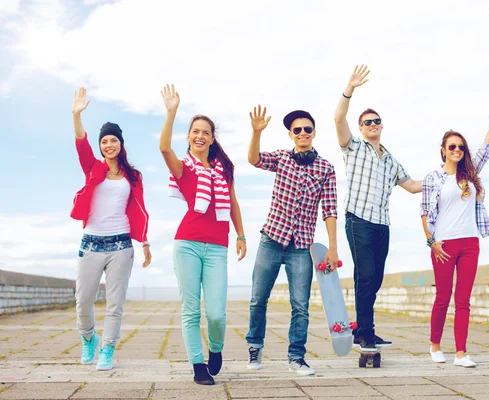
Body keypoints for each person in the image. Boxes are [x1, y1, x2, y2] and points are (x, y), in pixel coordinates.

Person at [158, 84, 246, 385]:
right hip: (187, 245)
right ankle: (197, 365)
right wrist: (171, 112)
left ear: (212, 138)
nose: (200, 136)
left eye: (205, 132)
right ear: (189, 137)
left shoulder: (224, 170)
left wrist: (241, 236)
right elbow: (164, 148)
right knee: (191, 309)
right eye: (195, 131)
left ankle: (216, 349)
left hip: (218, 246)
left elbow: (233, 203)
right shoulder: (184, 169)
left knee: (217, 314)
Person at [421, 98, 489, 368]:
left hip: (470, 243)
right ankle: (435, 345)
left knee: (463, 300)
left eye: (461, 147)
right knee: (443, 297)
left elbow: (487, 146)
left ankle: (461, 352)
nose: (457, 150)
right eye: (452, 146)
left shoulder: (470, 174)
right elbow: (425, 213)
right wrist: (431, 242)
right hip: (444, 244)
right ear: (443, 150)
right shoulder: (433, 178)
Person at [334, 65, 422, 352]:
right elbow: (338, 119)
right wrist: (350, 89)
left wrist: (447, 177)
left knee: (375, 279)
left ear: (382, 125)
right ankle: (367, 334)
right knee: (366, 274)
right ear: (361, 128)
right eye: (367, 122)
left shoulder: (391, 160)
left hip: (382, 225)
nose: (372, 125)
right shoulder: (354, 148)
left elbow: (411, 186)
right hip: (358, 221)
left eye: (377, 121)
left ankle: (362, 328)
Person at [245, 105, 338, 375]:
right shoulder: (282, 158)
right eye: (297, 130)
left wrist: (332, 248)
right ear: (290, 135)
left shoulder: (326, 168)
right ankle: (255, 346)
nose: (302, 133)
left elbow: (330, 210)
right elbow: (254, 159)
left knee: (301, 305)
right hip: (272, 238)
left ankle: (296, 356)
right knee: (257, 299)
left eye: (307, 129)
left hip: (301, 247)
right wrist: (256, 132)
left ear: (314, 133)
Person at [70, 87, 152, 371]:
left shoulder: (133, 176)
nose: (108, 145)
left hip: (121, 245)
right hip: (91, 243)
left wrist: (144, 242)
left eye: (112, 140)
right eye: (104, 141)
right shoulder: (92, 167)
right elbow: (81, 143)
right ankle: (89, 338)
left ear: (120, 143)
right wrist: (76, 114)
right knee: (83, 301)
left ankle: (107, 349)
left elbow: (139, 209)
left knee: (115, 304)